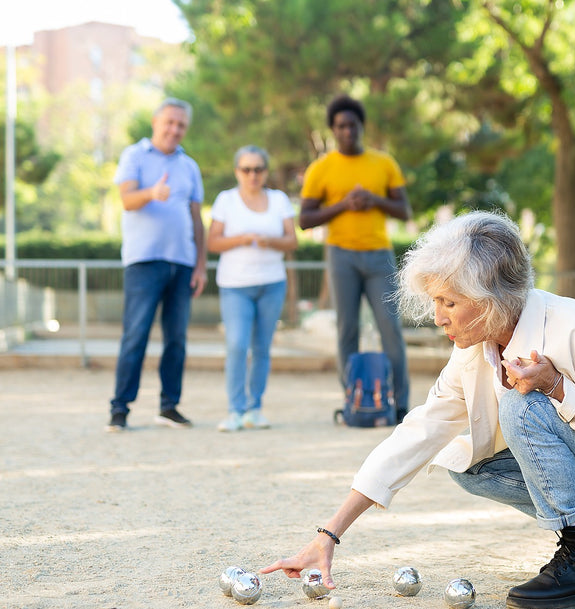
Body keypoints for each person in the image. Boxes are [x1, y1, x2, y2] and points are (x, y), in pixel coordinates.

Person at [261, 210, 575, 609]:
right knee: (464, 462)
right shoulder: (476, 349)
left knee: (523, 406)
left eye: (449, 303)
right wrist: (329, 534)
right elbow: (418, 434)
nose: (438, 318)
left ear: (488, 299)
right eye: (435, 302)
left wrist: (555, 386)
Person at [299, 95, 412, 422]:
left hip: (379, 255)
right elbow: (305, 219)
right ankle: (354, 399)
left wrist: (374, 199)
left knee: (390, 328)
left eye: (353, 125)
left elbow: (404, 210)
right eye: (341, 126)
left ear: (362, 127)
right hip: (341, 257)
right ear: (333, 130)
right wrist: (343, 205)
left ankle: (400, 403)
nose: (348, 131)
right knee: (346, 330)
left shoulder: (384, 163)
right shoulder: (321, 169)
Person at [106, 98, 207, 432]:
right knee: (135, 335)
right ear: (155, 122)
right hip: (144, 262)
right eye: (170, 122)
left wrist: (201, 264)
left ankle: (169, 407)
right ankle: (119, 409)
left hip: (182, 263)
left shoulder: (189, 166)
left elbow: (196, 219)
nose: (175, 129)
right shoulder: (134, 156)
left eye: (181, 125)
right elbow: (126, 200)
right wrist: (152, 193)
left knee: (176, 339)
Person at [207, 145, 298, 431]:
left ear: (265, 172)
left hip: (271, 283)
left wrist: (268, 241)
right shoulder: (226, 200)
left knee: (262, 348)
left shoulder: (279, 199)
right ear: (237, 172)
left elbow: (291, 241)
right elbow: (213, 242)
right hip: (235, 285)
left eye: (258, 169)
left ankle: (254, 409)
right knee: (236, 344)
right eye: (246, 169)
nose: (252, 175)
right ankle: (235, 410)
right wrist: (243, 239)